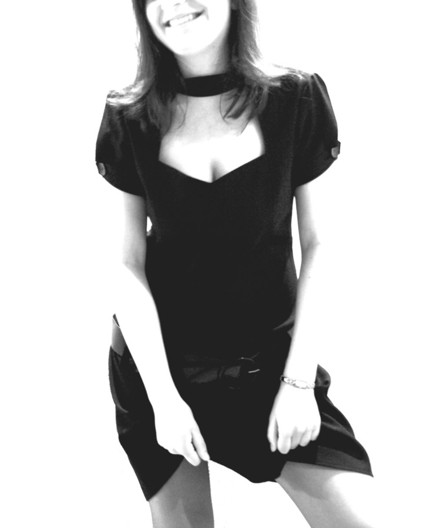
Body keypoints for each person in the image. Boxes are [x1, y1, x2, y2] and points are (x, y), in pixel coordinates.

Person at [95, 1, 380, 527]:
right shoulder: (128, 116)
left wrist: (298, 384)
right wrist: (164, 400)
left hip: (268, 366)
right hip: (161, 369)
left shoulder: (295, 98)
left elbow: (321, 243)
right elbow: (125, 264)